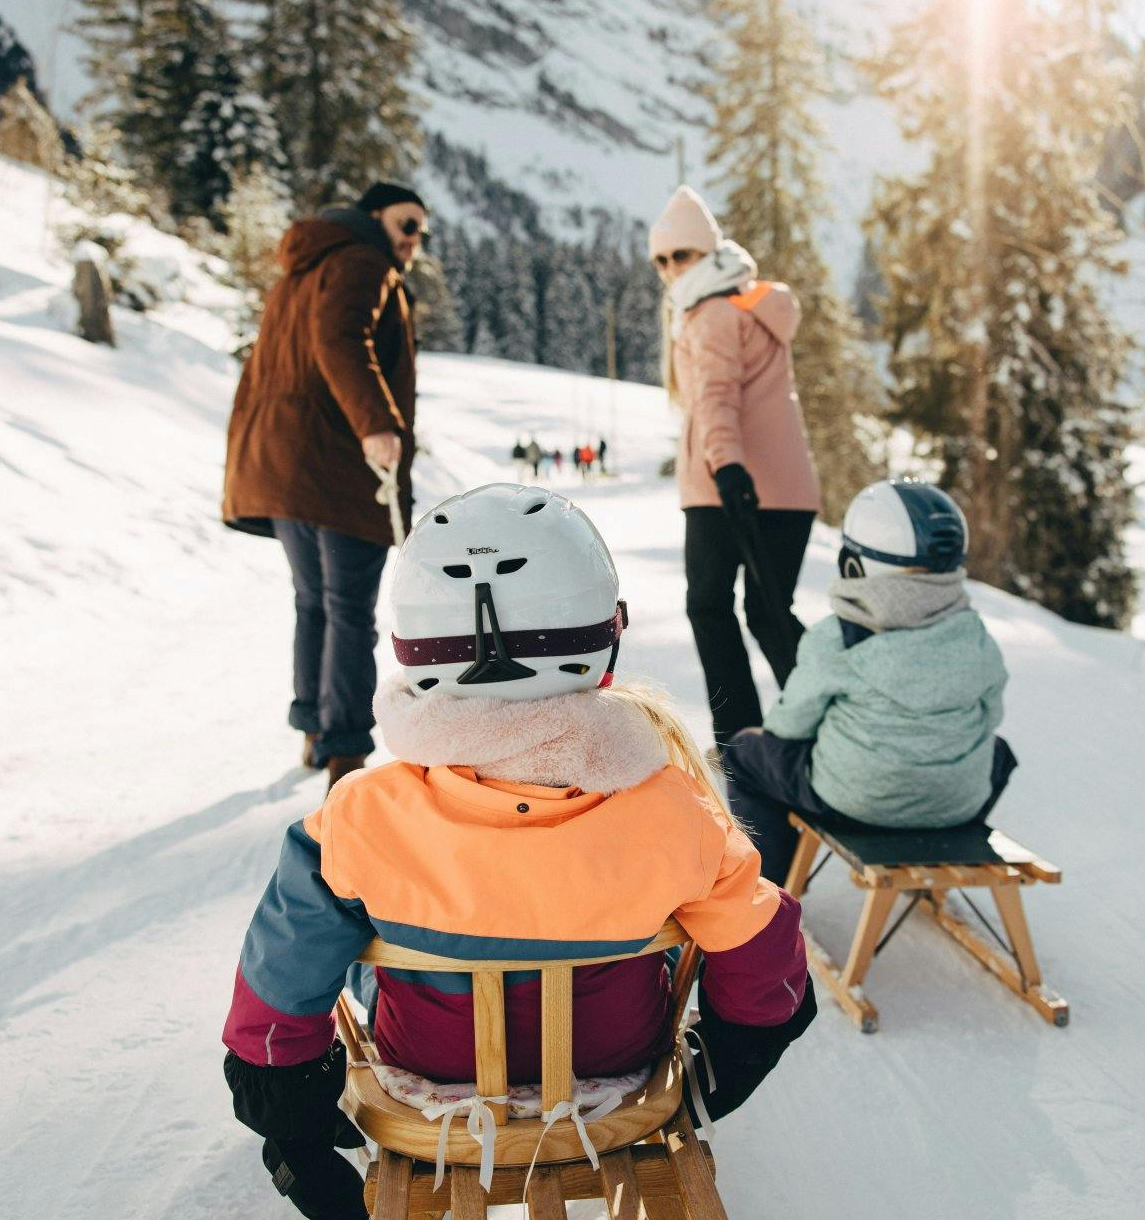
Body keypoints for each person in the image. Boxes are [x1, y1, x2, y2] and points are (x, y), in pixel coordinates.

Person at [221, 485, 816, 1219]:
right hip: (614, 1071)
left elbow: (275, 989)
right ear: (607, 636)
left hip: (427, 1072)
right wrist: (717, 1071)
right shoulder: (673, 807)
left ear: (412, 651)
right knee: (666, 935)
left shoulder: (361, 813)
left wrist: (295, 1128)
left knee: (352, 940)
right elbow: (770, 967)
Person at [222, 181, 429, 787]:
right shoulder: (364, 261)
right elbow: (341, 341)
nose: (414, 239)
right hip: (337, 464)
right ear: (373, 219)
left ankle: (315, 728)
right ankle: (344, 750)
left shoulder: (305, 267)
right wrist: (376, 426)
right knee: (346, 608)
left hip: (283, 460)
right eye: (406, 224)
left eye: (421, 229)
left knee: (313, 600)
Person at [721, 480, 1018, 884]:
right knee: (999, 753)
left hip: (855, 801)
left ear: (856, 564)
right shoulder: (975, 635)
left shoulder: (839, 636)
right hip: (957, 804)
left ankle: (772, 887)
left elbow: (789, 726)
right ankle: (936, 826)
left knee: (742, 755)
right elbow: (990, 717)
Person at [651, 185, 821, 750]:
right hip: (788, 491)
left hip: (728, 484)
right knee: (770, 611)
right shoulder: (750, 305)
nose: (672, 269)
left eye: (681, 255)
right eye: (662, 259)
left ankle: (741, 736)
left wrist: (725, 466)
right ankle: (828, 724)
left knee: (710, 605)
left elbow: (717, 398)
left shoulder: (712, 312)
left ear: (708, 251)